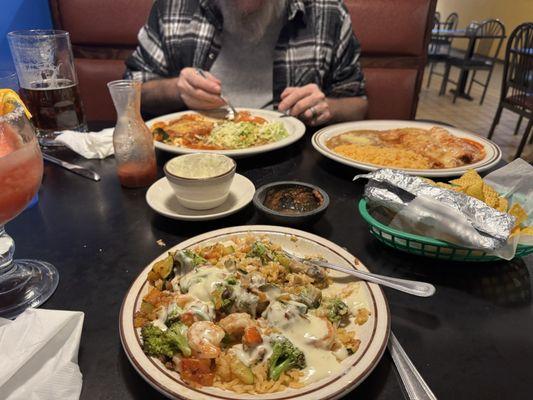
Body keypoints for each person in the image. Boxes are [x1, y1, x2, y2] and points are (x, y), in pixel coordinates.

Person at [125, 0, 367, 126]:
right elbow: (130, 91)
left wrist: (326, 108)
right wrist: (177, 90)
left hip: (294, 166)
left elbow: (358, 105)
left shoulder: (328, 10)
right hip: (192, 159)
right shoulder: (173, 6)